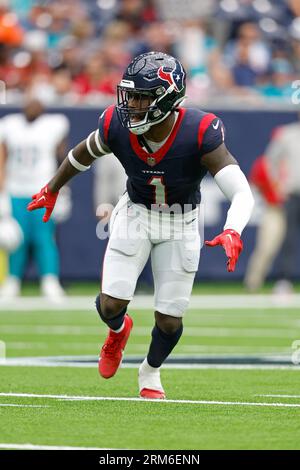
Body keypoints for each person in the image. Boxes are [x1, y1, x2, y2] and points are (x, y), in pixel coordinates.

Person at [27, 52, 254, 399]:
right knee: (110, 304)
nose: (131, 104)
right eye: (130, 95)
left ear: (167, 98)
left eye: (141, 97)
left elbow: (241, 191)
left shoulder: (198, 131)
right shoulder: (115, 124)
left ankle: (150, 370)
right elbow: (82, 154)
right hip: (136, 213)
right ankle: (118, 331)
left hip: (182, 221)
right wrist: (52, 188)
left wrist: (233, 228)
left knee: (169, 319)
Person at [0, 98, 70, 301]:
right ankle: (12, 281)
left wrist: (62, 189)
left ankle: (49, 281)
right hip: (16, 190)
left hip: (42, 190)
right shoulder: (10, 125)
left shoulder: (54, 124)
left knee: (45, 238)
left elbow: (61, 157)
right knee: (16, 240)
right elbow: (3, 158)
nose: (32, 106)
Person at [265, 120, 300, 293]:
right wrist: (277, 184)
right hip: (293, 193)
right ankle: (284, 280)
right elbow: (271, 160)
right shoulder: (287, 134)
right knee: (288, 238)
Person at [244, 154, 286, 292]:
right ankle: (253, 283)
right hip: (275, 210)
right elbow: (255, 184)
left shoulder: (292, 160)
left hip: (291, 208)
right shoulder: (265, 163)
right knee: (266, 248)